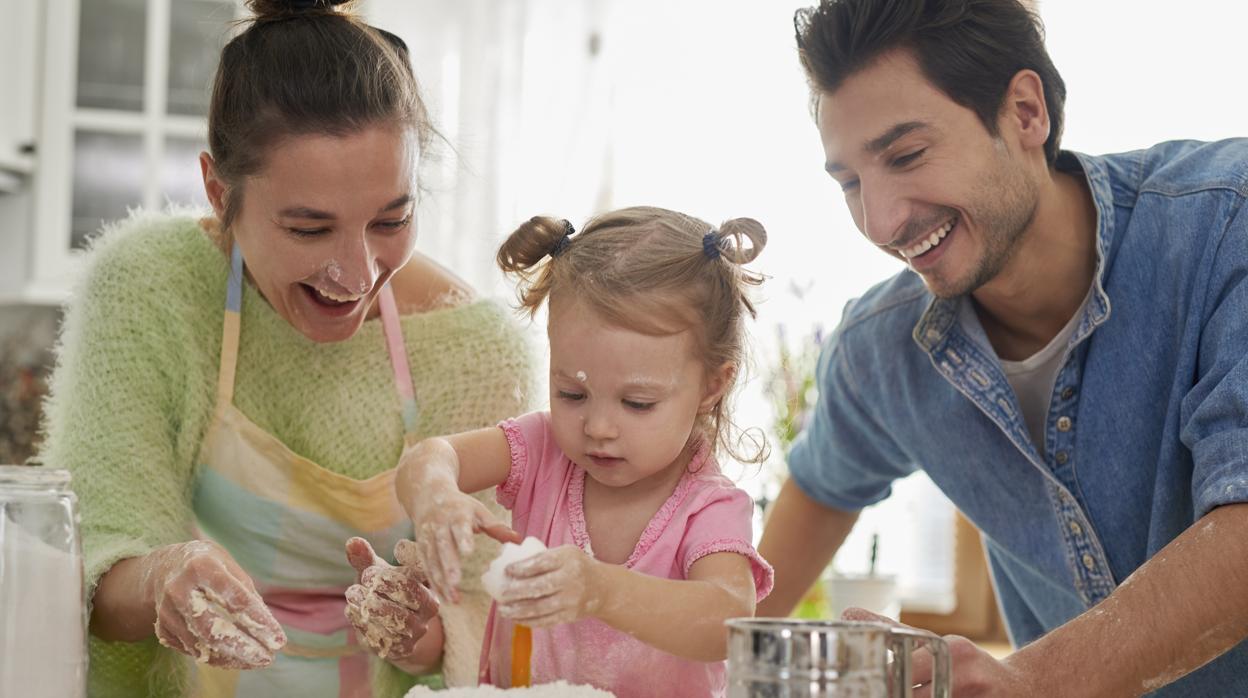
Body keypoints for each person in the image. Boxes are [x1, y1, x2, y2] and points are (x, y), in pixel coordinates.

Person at [37, 1, 540, 695]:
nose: (357, 273)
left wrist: (424, 631)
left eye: (391, 220)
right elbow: (91, 559)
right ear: (219, 191)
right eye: (309, 229)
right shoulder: (150, 287)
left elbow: (493, 620)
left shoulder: (478, 351)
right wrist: (159, 578)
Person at [756, 0, 1248, 695]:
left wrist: (1027, 681)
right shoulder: (880, 351)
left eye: (906, 155)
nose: (881, 220)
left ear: (1024, 112)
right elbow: (799, 519)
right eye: (850, 183)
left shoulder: (1229, 223)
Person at [379, 208, 775, 697]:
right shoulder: (543, 450)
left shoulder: (709, 506)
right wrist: (436, 495)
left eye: (637, 403)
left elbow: (728, 619)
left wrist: (600, 589)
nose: (599, 428)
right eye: (572, 393)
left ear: (713, 384)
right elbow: (429, 459)